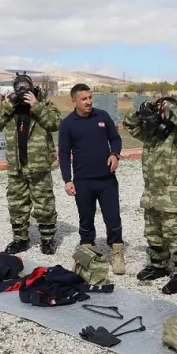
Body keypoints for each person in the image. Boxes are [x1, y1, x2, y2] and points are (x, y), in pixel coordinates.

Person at [122, 95, 177, 294]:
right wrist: (143, 109)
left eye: (162, 110)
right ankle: (158, 265)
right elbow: (129, 124)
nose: (159, 113)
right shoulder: (151, 133)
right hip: (152, 192)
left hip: (175, 194)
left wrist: (170, 108)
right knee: (154, 232)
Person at [0, 73, 62, 255]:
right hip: (17, 165)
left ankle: (47, 239)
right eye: (18, 88)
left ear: (32, 88)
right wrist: (8, 104)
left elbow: (55, 124)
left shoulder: (44, 102)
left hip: (39, 163)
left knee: (44, 203)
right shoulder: (9, 105)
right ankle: (20, 239)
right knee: (17, 204)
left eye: (25, 87)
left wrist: (36, 105)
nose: (22, 91)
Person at [58, 83, 125, 274]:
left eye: (90, 97)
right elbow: (64, 154)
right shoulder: (68, 124)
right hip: (83, 181)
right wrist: (67, 180)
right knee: (86, 219)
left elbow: (115, 139)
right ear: (74, 101)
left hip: (107, 180)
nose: (88, 102)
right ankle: (87, 254)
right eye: (84, 99)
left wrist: (115, 154)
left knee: (113, 218)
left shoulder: (102, 116)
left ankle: (117, 252)